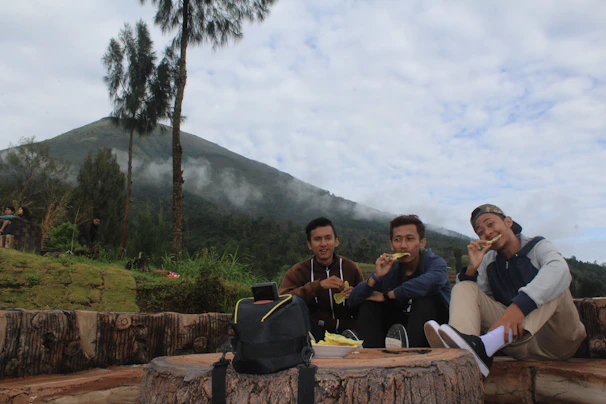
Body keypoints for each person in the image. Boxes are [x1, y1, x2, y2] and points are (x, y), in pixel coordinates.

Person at [424, 204, 587, 378]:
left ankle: (485, 345)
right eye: (480, 232)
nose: (487, 233)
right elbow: (473, 298)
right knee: (464, 286)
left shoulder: (538, 246)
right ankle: (466, 351)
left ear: (508, 222)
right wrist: (472, 268)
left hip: (557, 341)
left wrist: (518, 307)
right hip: (519, 343)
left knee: (554, 281)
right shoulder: (489, 261)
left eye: (490, 224)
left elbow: (559, 269)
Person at [348, 215, 451, 348]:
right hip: (399, 328)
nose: (403, 246)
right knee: (369, 304)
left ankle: (412, 353)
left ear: (422, 243)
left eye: (410, 239)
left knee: (424, 300)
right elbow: (352, 300)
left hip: (431, 327)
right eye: (397, 240)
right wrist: (376, 277)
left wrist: (389, 295)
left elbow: (433, 281)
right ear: (391, 244)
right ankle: (371, 352)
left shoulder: (434, 262)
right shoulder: (391, 269)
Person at [279, 217, 364, 341]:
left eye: (328, 238)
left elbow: (364, 302)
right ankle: (306, 345)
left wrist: (355, 295)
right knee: (294, 302)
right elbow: (282, 300)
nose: (323, 244)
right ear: (309, 244)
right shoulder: (298, 271)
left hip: (349, 331)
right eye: (317, 239)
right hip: (314, 331)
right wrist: (317, 287)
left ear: (336, 241)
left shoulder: (351, 268)